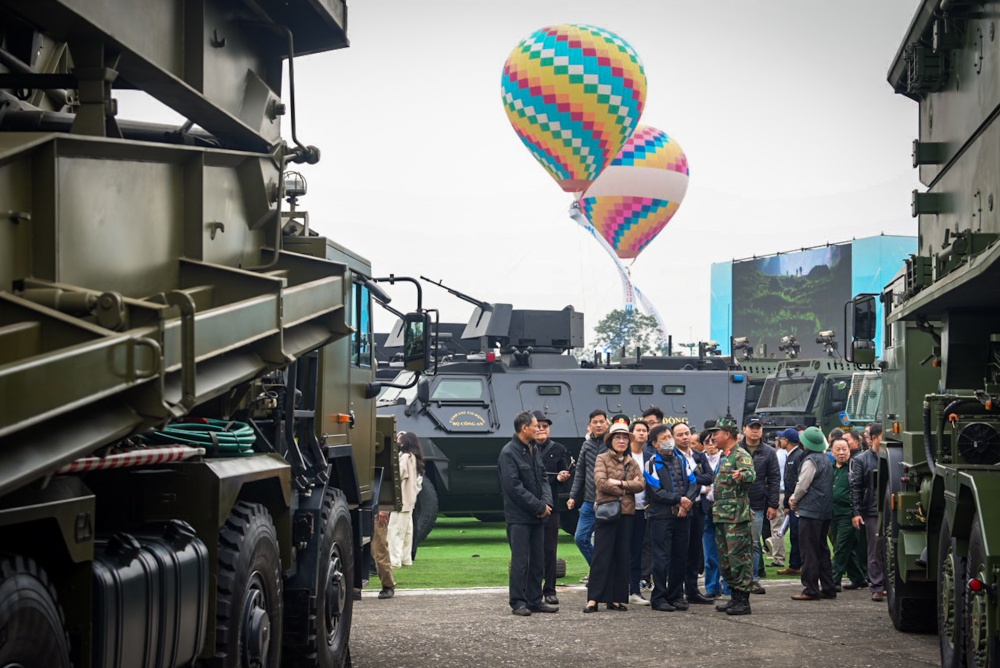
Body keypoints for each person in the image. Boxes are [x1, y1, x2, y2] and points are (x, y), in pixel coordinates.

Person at [498, 411, 557, 616]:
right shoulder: (508, 453)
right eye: (535, 426)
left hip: (537, 515)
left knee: (538, 561)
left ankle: (535, 599)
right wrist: (538, 506)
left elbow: (542, 478)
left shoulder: (533, 449)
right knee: (521, 562)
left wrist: (546, 503)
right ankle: (518, 602)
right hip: (519, 517)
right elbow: (513, 487)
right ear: (524, 428)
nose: (539, 429)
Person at [585, 420, 644, 612]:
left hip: (627, 514)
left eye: (625, 438)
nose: (621, 441)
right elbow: (601, 483)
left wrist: (620, 484)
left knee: (622, 555)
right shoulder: (602, 458)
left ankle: (616, 599)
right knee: (602, 555)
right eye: (617, 437)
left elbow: (641, 485)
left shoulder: (632, 461)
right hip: (607, 512)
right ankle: (593, 598)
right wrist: (627, 486)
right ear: (610, 440)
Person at [643, 423, 697, 612]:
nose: (668, 441)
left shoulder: (683, 459)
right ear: (655, 444)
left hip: (683, 515)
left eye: (669, 437)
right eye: (663, 439)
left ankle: (676, 595)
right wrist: (678, 500)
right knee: (661, 558)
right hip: (661, 517)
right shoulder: (651, 463)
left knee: (680, 556)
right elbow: (656, 492)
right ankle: (659, 597)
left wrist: (686, 502)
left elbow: (693, 483)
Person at [707, 416, 756, 616]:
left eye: (716, 433)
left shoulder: (740, 455)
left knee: (739, 558)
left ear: (727, 434)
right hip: (722, 516)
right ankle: (735, 597)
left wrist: (741, 475)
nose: (713, 437)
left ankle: (743, 600)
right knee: (726, 559)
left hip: (736, 517)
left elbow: (750, 474)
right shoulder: (725, 456)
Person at [788, 427, 836, 601]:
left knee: (808, 551)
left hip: (810, 511)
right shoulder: (826, 459)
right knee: (822, 549)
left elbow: (802, 485)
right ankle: (829, 587)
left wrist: (793, 499)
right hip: (825, 511)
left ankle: (810, 589)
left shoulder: (810, 461)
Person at [672, 422, 715, 604]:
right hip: (682, 509)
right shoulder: (671, 457)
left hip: (699, 509)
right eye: (680, 434)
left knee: (695, 551)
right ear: (673, 438)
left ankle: (692, 590)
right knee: (680, 552)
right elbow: (677, 480)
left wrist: (691, 479)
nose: (684, 437)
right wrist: (697, 483)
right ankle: (677, 592)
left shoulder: (698, 455)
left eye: (687, 433)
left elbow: (710, 476)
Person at [533, 410, 570, 606]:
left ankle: (550, 589)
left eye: (544, 426)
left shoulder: (559, 449)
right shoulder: (525, 449)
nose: (541, 429)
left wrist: (562, 477)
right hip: (529, 506)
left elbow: (564, 478)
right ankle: (531, 588)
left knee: (550, 550)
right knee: (532, 549)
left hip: (551, 506)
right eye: (538, 426)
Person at [742, 415, 780, 593]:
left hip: (757, 503)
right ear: (744, 429)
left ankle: (754, 578)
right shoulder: (736, 449)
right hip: (735, 503)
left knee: (755, 543)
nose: (755, 430)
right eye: (752, 427)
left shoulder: (769, 452)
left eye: (758, 427)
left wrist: (772, 504)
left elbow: (774, 479)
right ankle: (737, 578)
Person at [568, 410, 609, 569]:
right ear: (589, 425)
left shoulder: (613, 443)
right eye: (595, 422)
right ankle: (600, 570)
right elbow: (580, 472)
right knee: (580, 538)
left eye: (601, 421)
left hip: (609, 501)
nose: (598, 425)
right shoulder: (587, 445)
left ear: (607, 423)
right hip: (589, 500)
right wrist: (573, 496)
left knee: (607, 542)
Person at [851, 421, 886, 602]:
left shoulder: (892, 456)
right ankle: (877, 586)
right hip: (871, 510)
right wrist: (856, 512)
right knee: (875, 547)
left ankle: (886, 583)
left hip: (889, 507)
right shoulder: (862, 460)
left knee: (888, 547)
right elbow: (856, 486)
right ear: (873, 438)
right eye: (883, 437)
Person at [829, 437, 867, 591]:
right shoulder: (830, 468)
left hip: (848, 513)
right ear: (832, 452)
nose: (841, 453)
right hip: (833, 512)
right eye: (838, 449)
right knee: (845, 546)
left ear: (849, 450)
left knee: (842, 547)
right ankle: (858, 578)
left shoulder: (854, 467)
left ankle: (834, 580)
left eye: (844, 449)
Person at [388, 432, 424, 568]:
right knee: (407, 531)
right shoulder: (414, 457)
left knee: (394, 530)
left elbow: (399, 474)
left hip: (401, 499)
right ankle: (405, 558)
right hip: (410, 500)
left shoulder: (405, 457)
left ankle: (394, 560)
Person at [627, 419, 653, 605]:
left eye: (645, 430)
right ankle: (621, 589)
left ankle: (635, 590)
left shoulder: (651, 456)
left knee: (639, 551)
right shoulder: (623, 455)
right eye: (638, 430)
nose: (642, 434)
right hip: (625, 508)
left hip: (645, 509)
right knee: (623, 551)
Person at [701, 430, 730, 598]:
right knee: (709, 552)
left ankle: (729, 586)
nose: (711, 444)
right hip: (706, 508)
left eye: (713, 440)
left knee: (727, 550)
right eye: (706, 441)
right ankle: (712, 587)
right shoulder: (699, 459)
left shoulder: (726, 459)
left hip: (724, 508)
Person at [777, 428, 804, 577]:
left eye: (782, 439)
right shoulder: (790, 455)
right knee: (794, 534)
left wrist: (793, 501)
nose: (780, 441)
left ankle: (798, 564)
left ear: (786, 441)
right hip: (791, 502)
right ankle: (794, 564)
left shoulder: (798, 456)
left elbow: (796, 481)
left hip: (797, 502)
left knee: (797, 533)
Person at [370, 508, 396, 599]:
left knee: (380, 549)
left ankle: (388, 585)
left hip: (376, 511)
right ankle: (355, 587)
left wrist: (384, 508)